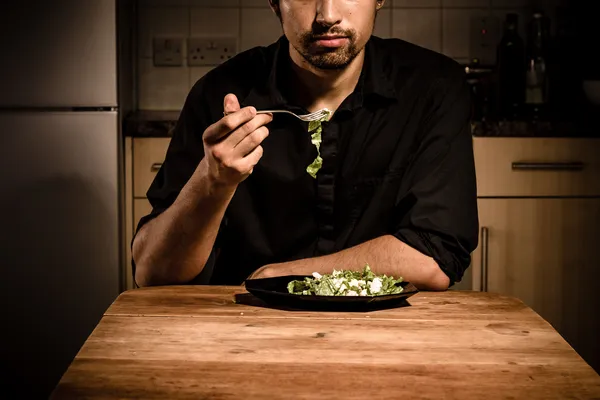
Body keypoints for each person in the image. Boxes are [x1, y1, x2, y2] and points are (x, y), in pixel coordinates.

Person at [131, 0, 479, 290]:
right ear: (274, 2)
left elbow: (436, 256)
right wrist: (212, 181)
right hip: (244, 329)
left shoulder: (434, 88)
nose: (327, 15)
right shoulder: (219, 93)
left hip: (387, 332)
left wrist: (282, 274)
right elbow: (152, 273)